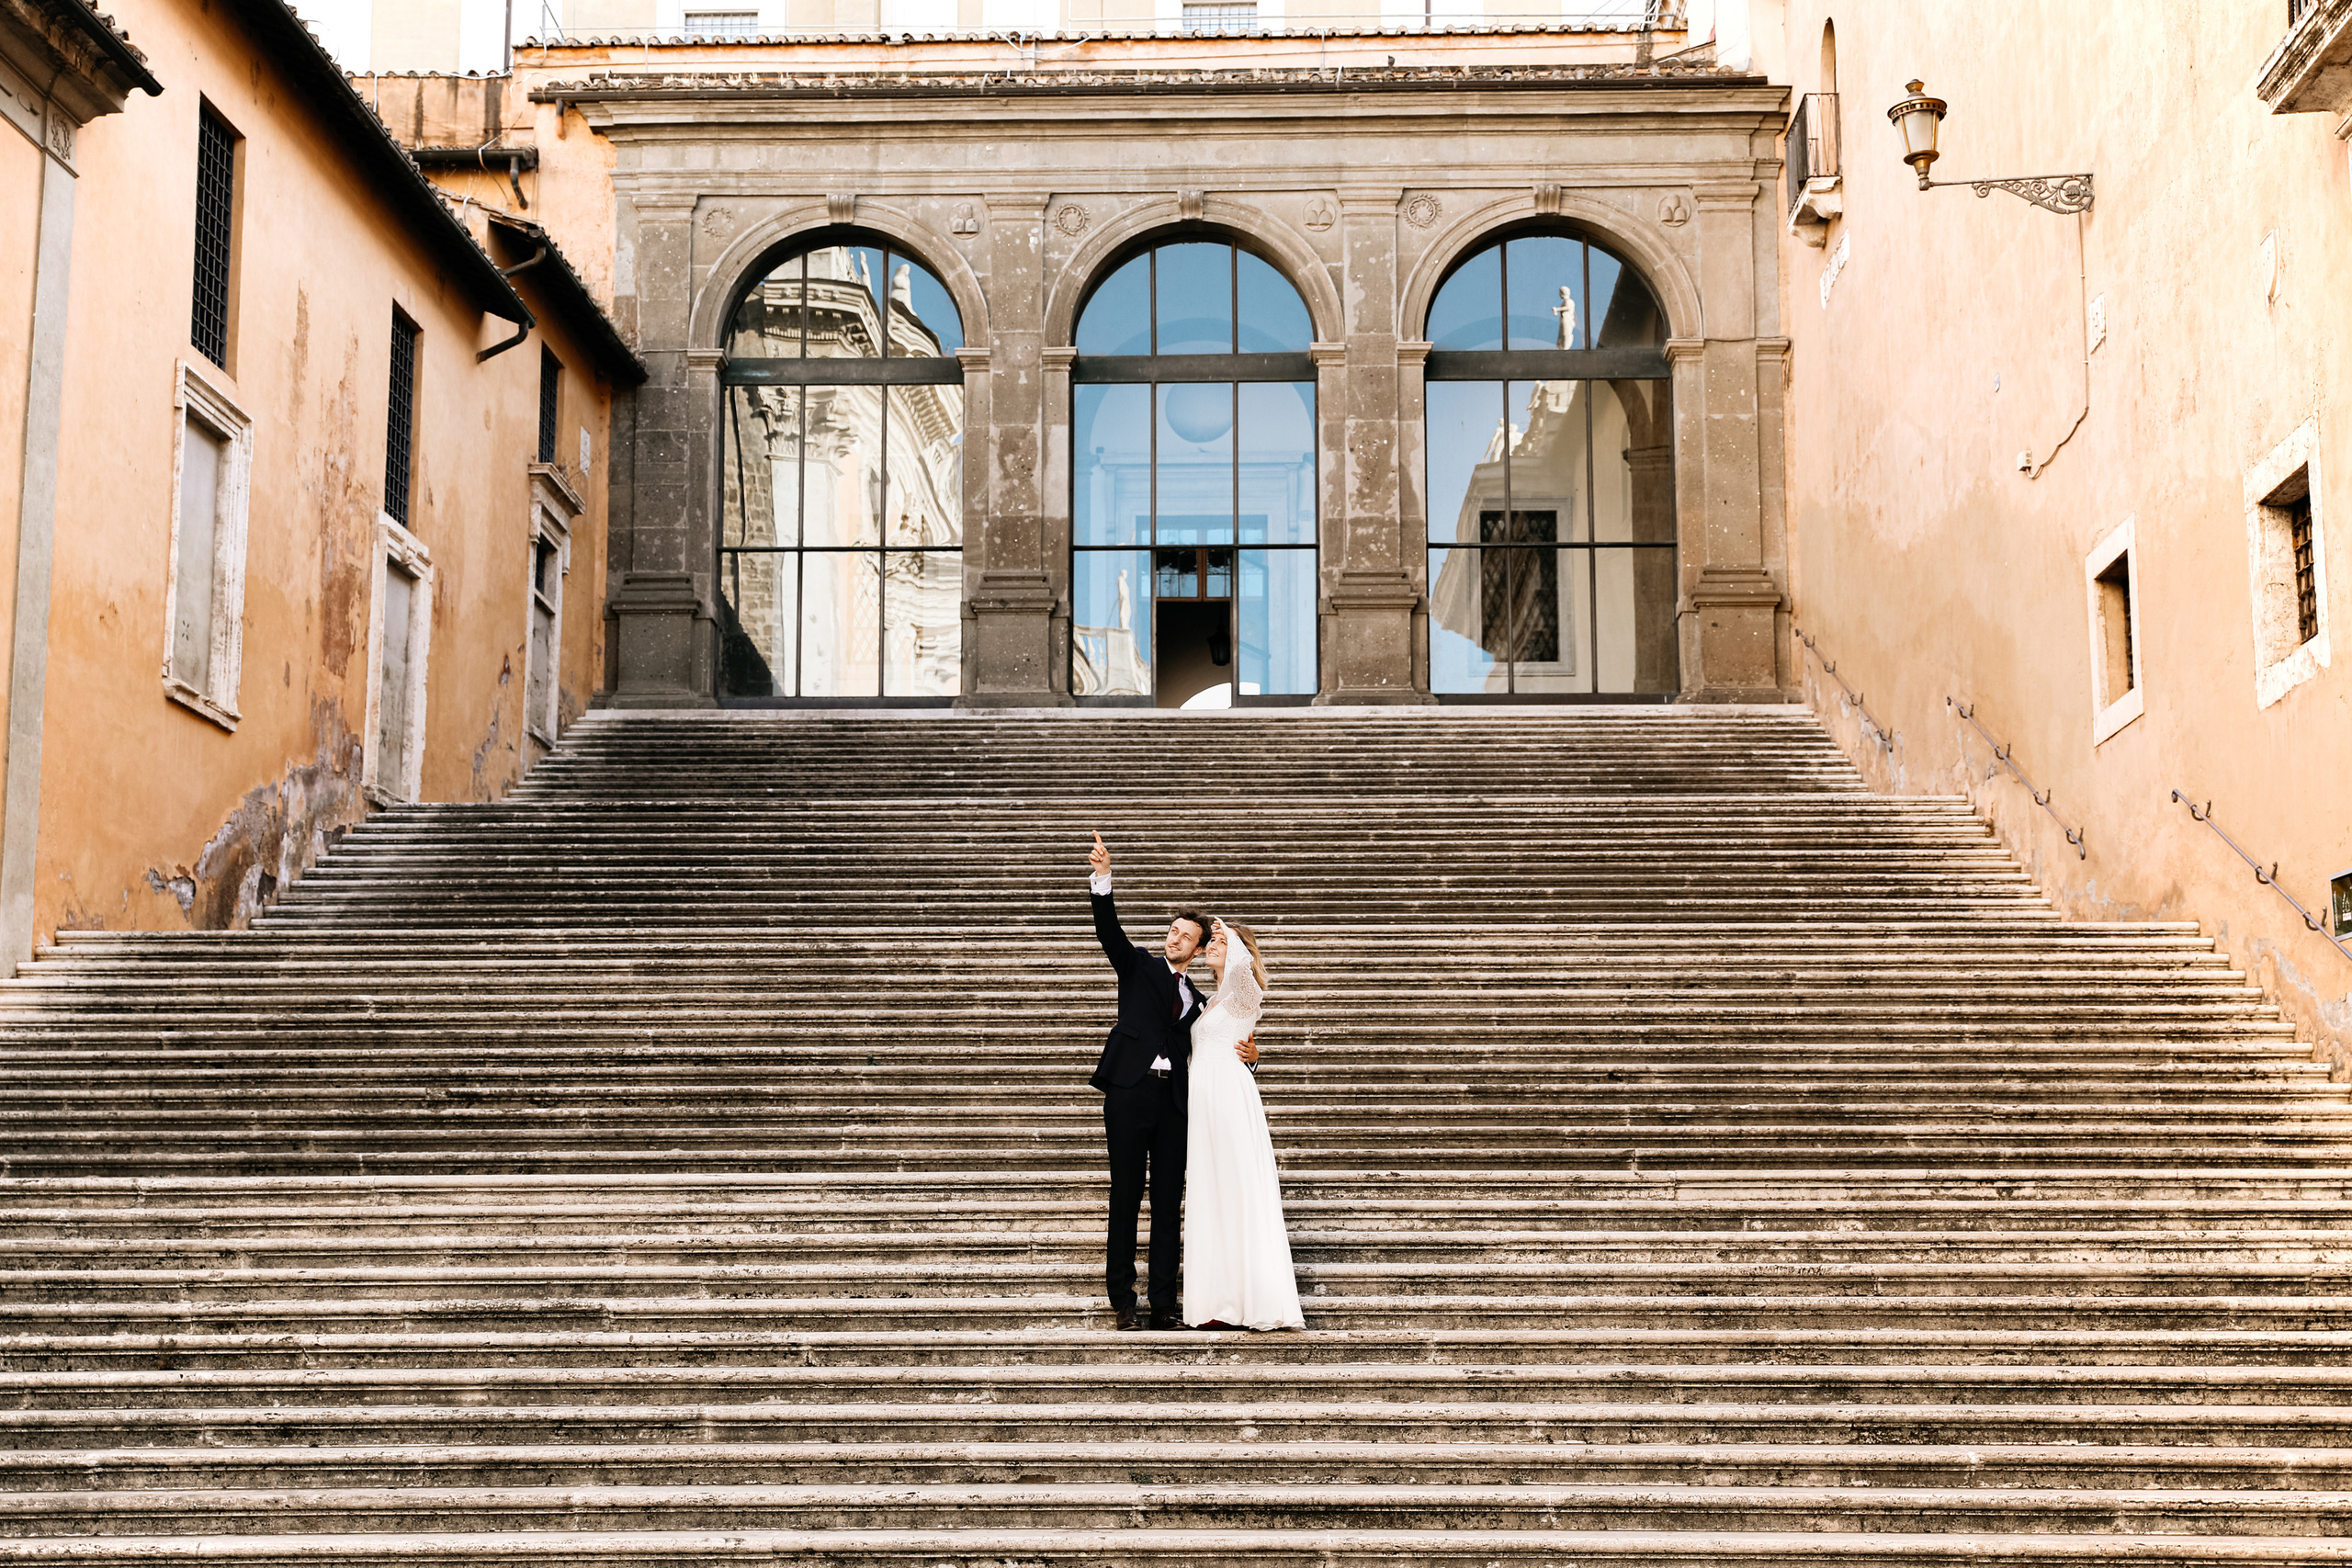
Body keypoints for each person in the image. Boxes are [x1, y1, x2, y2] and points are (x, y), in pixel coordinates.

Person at [1085, 832, 1255, 1330]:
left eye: (1185, 934)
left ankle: (1163, 1303)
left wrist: (1252, 1056)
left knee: (1167, 1202)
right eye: (1172, 930)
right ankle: (1124, 1301)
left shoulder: (1203, 1003)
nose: (1174, 936)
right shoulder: (1137, 965)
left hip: (1176, 1104)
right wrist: (1103, 878)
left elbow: (1224, 1045)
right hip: (1130, 1093)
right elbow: (1107, 931)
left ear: (1200, 947)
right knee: (1124, 1194)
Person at [1182, 918, 1305, 1331]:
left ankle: (1251, 1300)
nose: (1213, 945)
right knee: (1212, 1192)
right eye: (1211, 941)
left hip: (1229, 1098)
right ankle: (1219, 1302)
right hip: (1204, 1102)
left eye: (1220, 941)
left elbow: (1249, 984)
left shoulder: (1243, 991)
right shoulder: (1211, 1001)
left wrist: (1231, 937)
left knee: (1237, 1188)